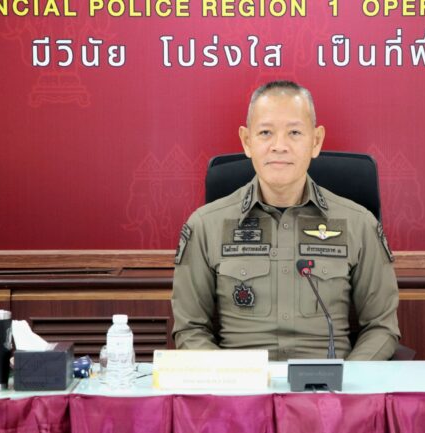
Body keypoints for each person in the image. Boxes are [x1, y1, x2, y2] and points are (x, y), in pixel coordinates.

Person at [171, 81, 400, 360]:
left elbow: (381, 327)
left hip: (329, 384)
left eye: (294, 132)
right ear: (247, 141)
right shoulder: (205, 226)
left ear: (316, 141)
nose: (279, 146)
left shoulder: (359, 224)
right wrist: (228, 379)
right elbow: (190, 329)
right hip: (242, 385)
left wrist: (348, 378)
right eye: (266, 133)